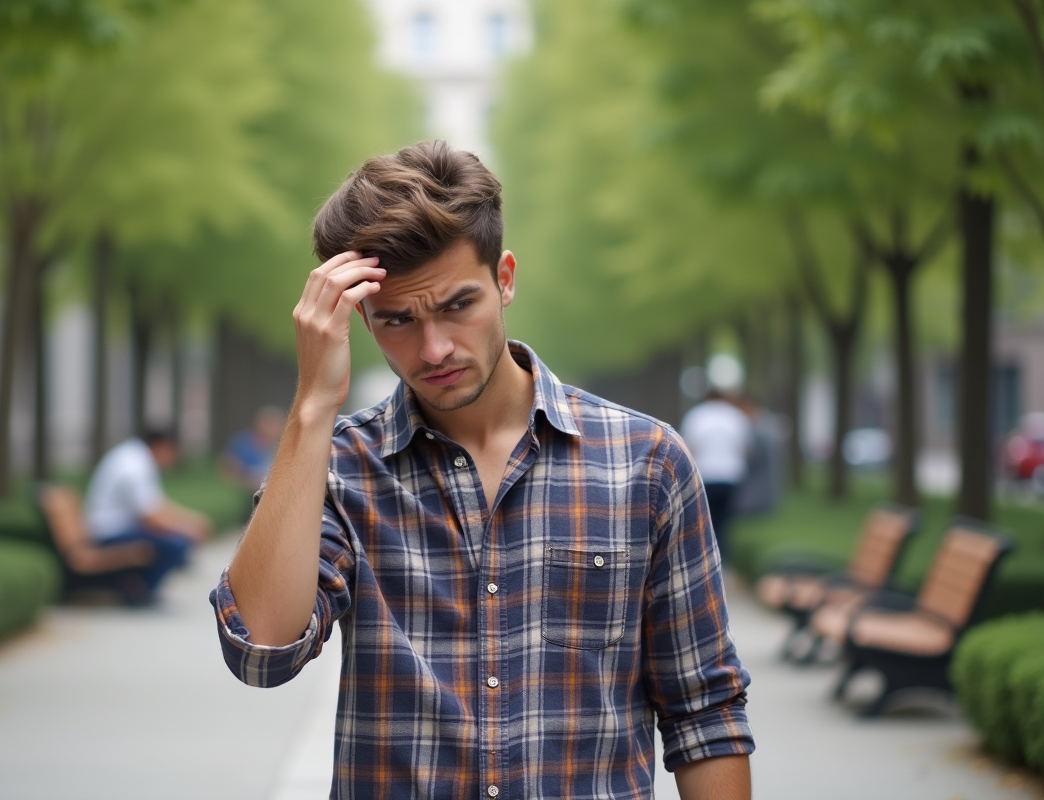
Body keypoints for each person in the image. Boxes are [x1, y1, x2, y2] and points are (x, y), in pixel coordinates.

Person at [211, 141, 754, 798]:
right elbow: (262, 651)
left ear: (505, 278)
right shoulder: (339, 467)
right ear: (358, 317)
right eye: (397, 320)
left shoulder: (647, 463)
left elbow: (705, 713)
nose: (434, 348)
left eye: (457, 305)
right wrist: (312, 403)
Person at [85, 428, 211, 602]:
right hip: (108, 533)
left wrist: (190, 521)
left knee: (176, 539)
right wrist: (186, 528)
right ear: (162, 446)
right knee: (177, 544)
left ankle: (136, 586)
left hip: (114, 528)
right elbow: (148, 516)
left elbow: (155, 504)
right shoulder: (135, 465)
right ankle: (142, 592)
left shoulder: (135, 457)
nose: (173, 458)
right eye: (173, 452)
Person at [679, 389, 753, 562]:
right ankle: (723, 558)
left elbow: (688, 447)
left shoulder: (696, 416)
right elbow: (746, 448)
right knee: (724, 520)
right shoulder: (736, 416)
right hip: (731, 475)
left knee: (703, 519)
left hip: (705, 474)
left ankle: (704, 558)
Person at [218, 406, 286, 517]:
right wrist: (249, 482)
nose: (276, 428)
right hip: (251, 489)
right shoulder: (242, 444)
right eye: (271, 424)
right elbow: (227, 471)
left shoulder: (281, 446)